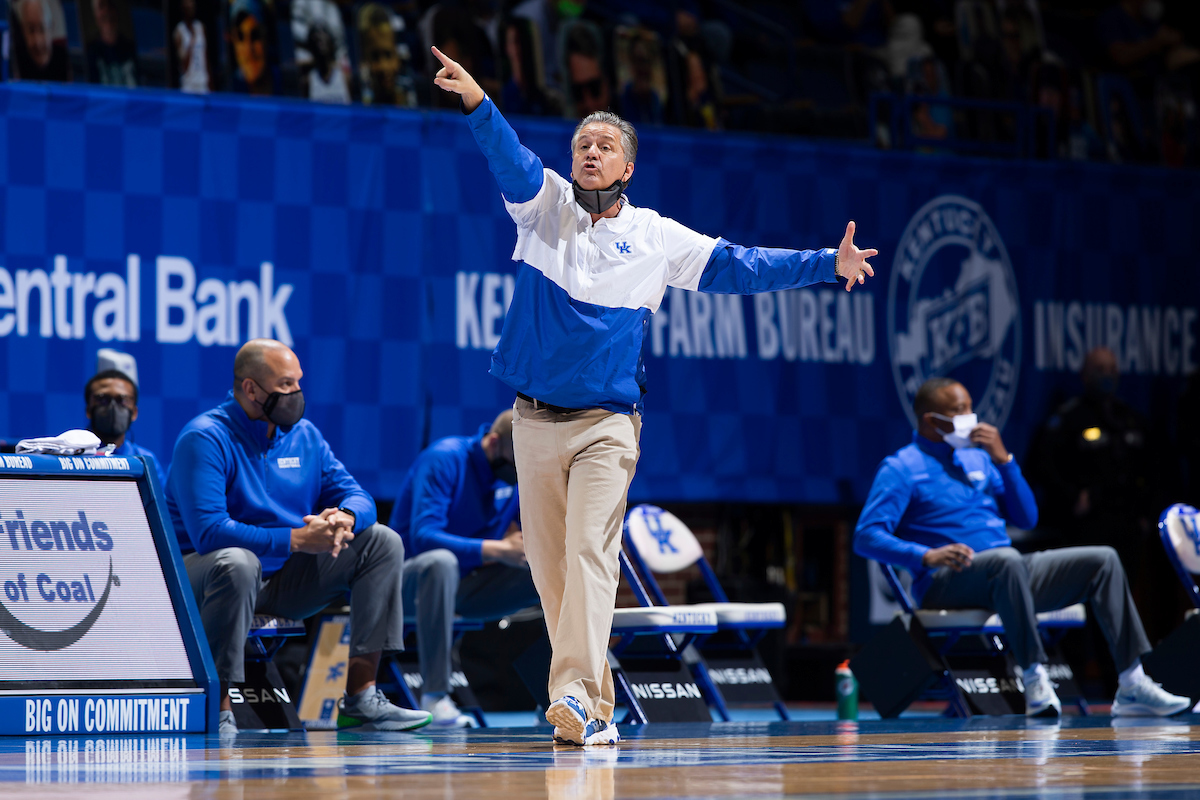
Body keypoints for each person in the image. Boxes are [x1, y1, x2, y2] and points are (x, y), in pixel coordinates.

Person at [431, 44, 877, 746]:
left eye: (605, 145)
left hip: (607, 425)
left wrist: (828, 263)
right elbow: (509, 158)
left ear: (627, 167)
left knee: (588, 554)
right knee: (551, 575)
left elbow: (742, 267)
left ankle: (572, 696)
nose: (590, 151)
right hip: (534, 422)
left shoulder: (655, 237)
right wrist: (479, 104)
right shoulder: (541, 207)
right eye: (582, 142)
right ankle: (597, 708)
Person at [854, 376, 1191, 718]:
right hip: (947, 580)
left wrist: (1005, 461)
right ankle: (1033, 676)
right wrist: (925, 555)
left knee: (1103, 560)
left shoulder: (978, 459)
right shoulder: (901, 468)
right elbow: (866, 536)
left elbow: (1027, 517)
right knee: (1006, 560)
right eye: (959, 411)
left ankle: (1133, 682)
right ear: (931, 420)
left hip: (1007, 574)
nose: (970, 417)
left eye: (971, 407)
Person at [166, 339, 431, 735]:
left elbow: (361, 497)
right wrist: (295, 539)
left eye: (298, 383)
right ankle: (217, 706)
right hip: (204, 579)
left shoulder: (305, 436)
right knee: (238, 562)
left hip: (281, 579)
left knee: (381, 541)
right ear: (250, 389)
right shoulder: (204, 439)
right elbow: (210, 533)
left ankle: (361, 697)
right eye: (286, 384)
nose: (296, 394)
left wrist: (345, 516)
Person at [388, 410, 540, 727]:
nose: (521, 467)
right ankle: (435, 695)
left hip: (464, 586)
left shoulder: (514, 475)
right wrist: (498, 549)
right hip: (404, 582)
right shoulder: (445, 458)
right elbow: (424, 538)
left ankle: (554, 694)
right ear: (494, 442)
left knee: (551, 571)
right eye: (518, 458)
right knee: (441, 562)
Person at [84, 369, 168, 488]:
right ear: (88, 410)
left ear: (134, 412)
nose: (112, 407)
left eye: (122, 400)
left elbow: (158, 504)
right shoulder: (71, 457)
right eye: (103, 399)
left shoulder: (145, 460)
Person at [12, 0, 71, 81]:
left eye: (42, 29)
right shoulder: (15, 64)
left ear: (51, 27)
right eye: (31, 30)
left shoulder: (66, 61)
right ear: (23, 31)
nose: (37, 42)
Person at [86, 0, 138, 86]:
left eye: (110, 5)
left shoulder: (131, 48)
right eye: (102, 6)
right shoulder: (90, 52)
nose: (107, 11)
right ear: (96, 15)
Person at [173, 0, 211, 93]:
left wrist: (210, 82)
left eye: (192, 4)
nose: (191, 7)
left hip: (203, 83)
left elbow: (206, 57)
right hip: (188, 85)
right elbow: (184, 64)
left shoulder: (201, 27)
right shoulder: (179, 31)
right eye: (187, 5)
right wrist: (191, 43)